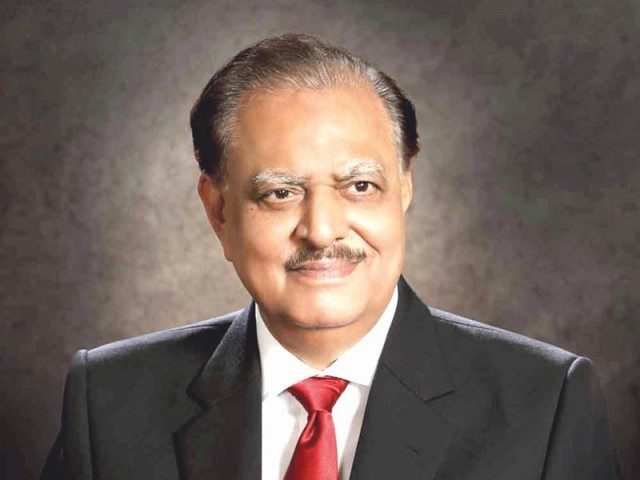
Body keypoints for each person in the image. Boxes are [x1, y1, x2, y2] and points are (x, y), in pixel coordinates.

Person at [41, 33, 623, 480]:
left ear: (404, 190)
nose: (321, 231)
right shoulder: (108, 403)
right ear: (217, 210)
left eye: (360, 186)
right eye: (279, 193)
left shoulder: (546, 405)